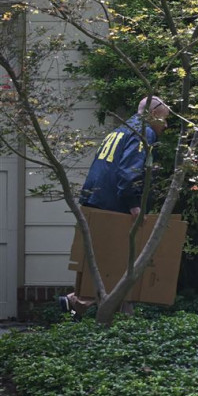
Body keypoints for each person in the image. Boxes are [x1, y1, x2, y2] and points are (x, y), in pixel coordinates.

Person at [60, 95, 171, 316]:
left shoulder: (122, 129)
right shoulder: (144, 132)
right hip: (114, 204)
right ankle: (80, 304)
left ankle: (81, 305)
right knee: (119, 263)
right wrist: (134, 204)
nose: (166, 125)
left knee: (102, 263)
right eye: (164, 119)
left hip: (95, 200)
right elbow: (129, 171)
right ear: (153, 115)